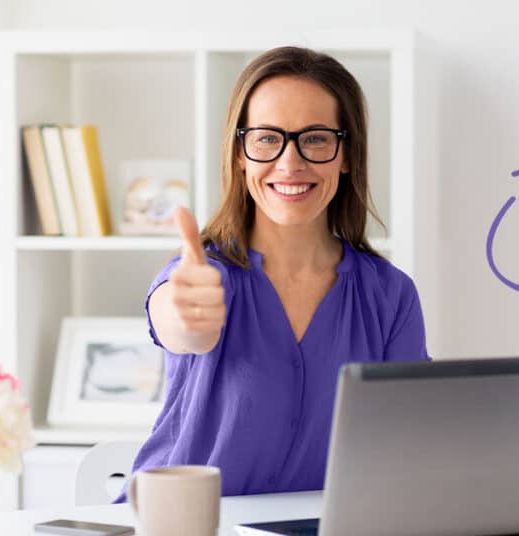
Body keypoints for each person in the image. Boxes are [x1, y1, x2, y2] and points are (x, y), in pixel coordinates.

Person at [116, 46, 431, 501]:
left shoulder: (389, 294)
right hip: (184, 525)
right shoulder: (202, 276)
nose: (289, 163)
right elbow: (179, 323)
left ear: (347, 155)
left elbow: (412, 438)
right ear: (240, 152)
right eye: (266, 138)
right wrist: (185, 317)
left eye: (316, 138)